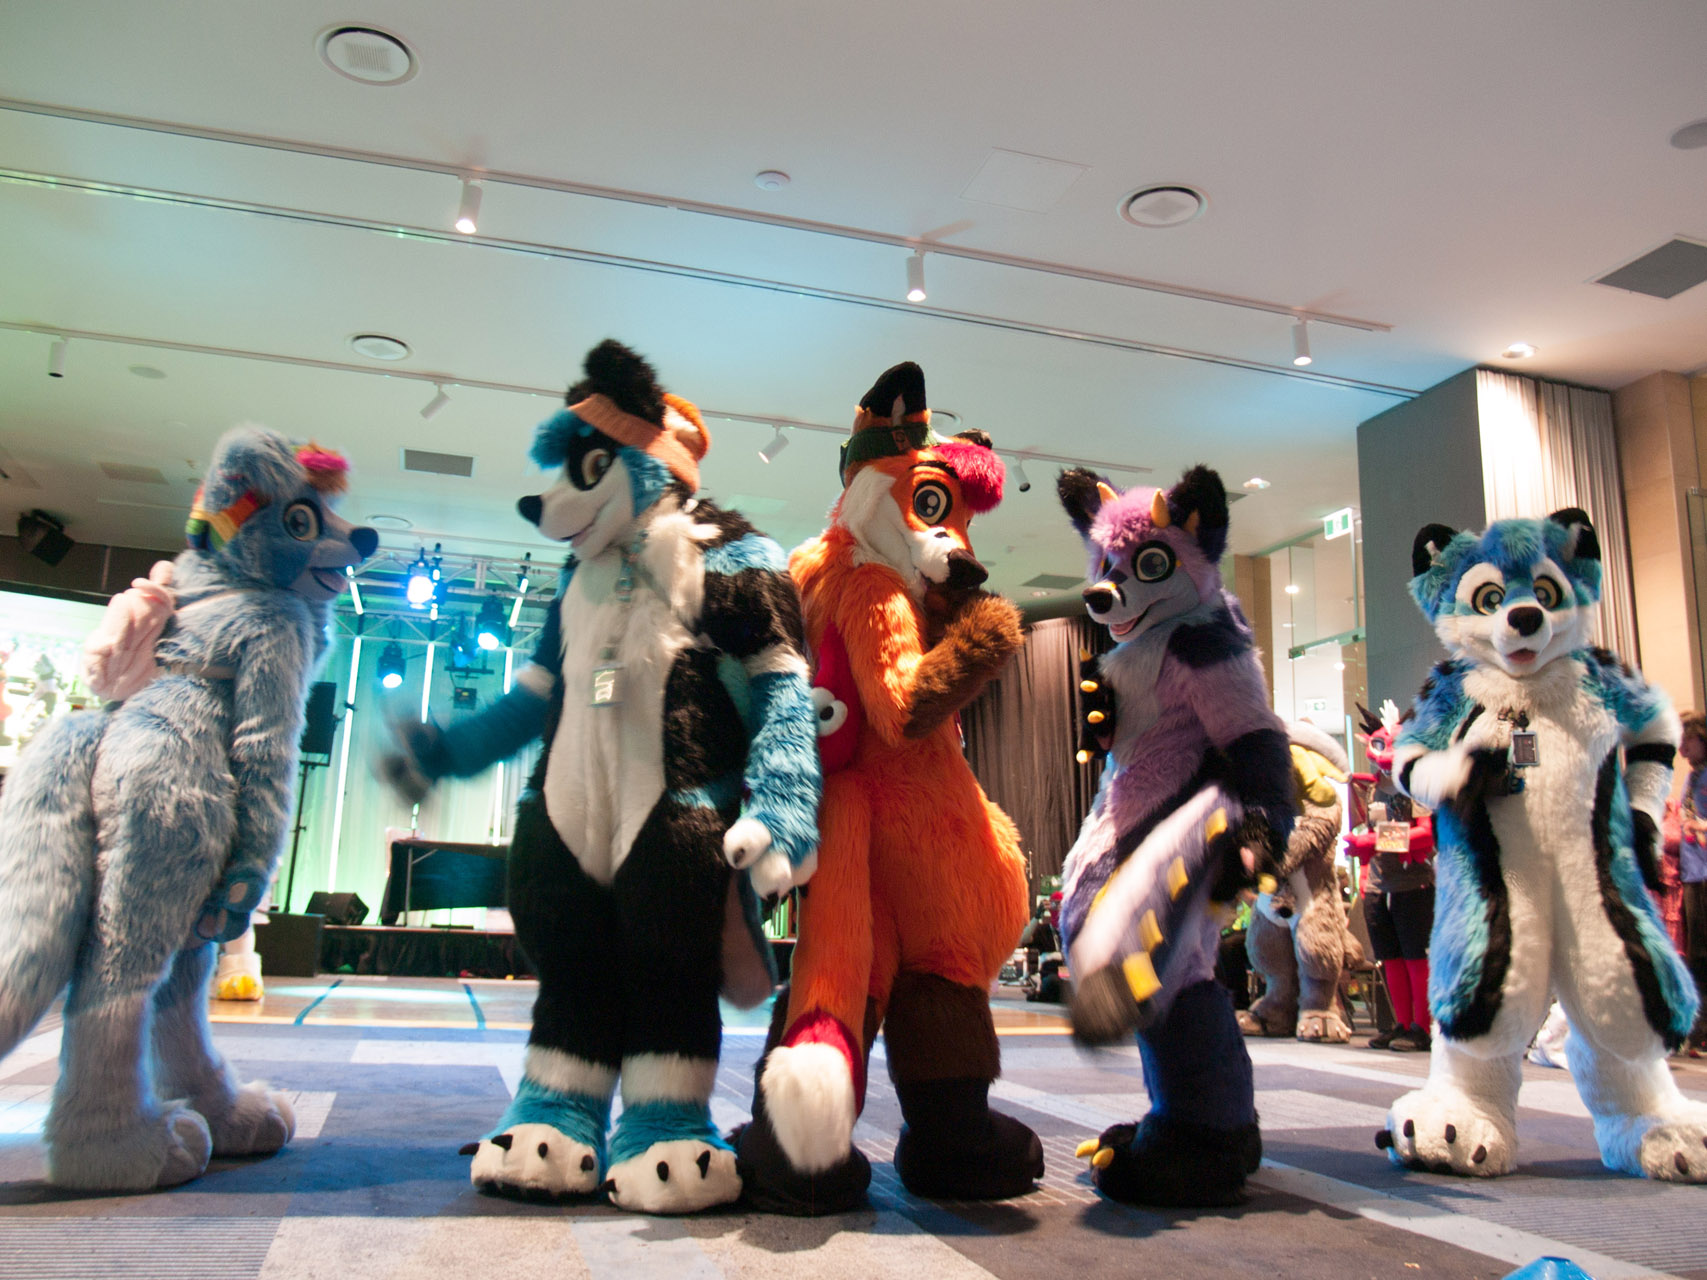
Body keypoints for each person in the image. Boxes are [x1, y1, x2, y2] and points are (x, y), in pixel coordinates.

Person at [1678, 712, 1707, 1054]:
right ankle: (1699, 1030)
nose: (1682, 748)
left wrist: (1701, 826)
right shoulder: (1692, 776)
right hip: (1693, 874)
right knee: (1697, 955)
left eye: (1687, 740)